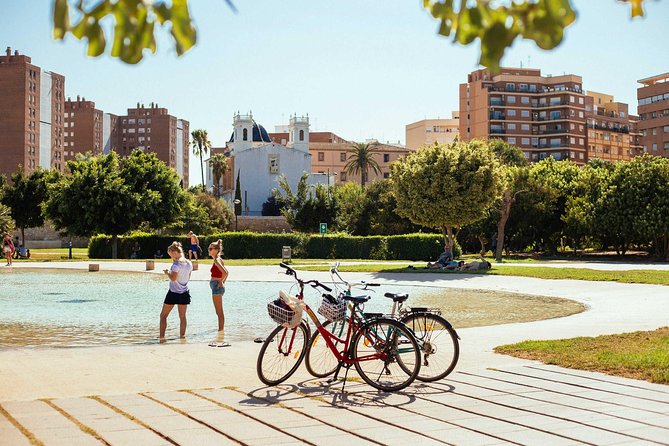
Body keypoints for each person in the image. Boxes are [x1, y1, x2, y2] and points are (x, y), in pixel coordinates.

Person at [159, 241, 193, 342]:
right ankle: (182, 337)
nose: (172, 257)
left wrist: (167, 273)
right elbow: (188, 277)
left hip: (173, 292)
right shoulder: (189, 263)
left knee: (163, 315)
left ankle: (161, 338)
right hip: (184, 292)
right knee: (182, 316)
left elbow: (173, 278)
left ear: (175, 252)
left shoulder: (176, 264)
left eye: (171, 255)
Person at [208, 239, 230, 347]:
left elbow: (225, 272)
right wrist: (222, 282)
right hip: (217, 287)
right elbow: (224, 273)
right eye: (209, 248)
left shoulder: (217, 260)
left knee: (219, 312)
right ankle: (220, 332)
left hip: (216, 287)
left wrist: (221, 282)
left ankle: (220, 333)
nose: (209, 250)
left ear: (216, 250)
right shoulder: (218, 259)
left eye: (211, 248)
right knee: (219, 312)